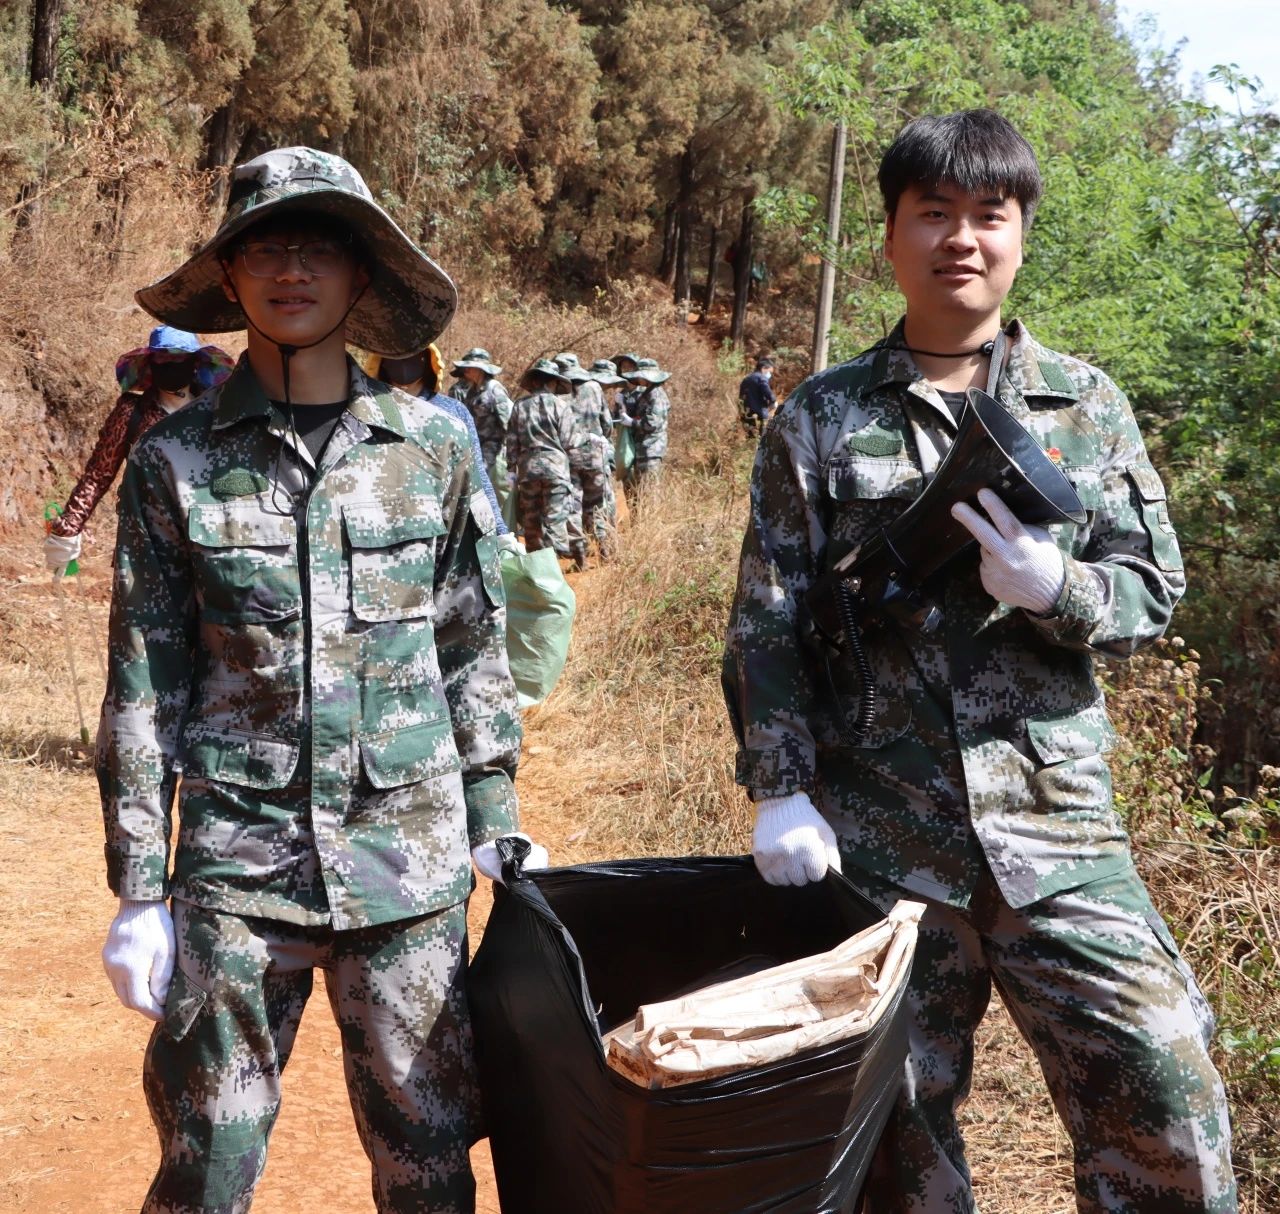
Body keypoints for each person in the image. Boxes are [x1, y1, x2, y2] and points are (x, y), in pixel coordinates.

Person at [722, 109, 1236, 1213]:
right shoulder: (820, 417)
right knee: (892, 1136)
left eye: (987, 215)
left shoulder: (1084, 406)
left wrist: (1061, 590)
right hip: (882, 833)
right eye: (933, 213)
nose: (961, 237)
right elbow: (768, 615)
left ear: (1020, 236)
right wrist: (779, 787)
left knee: (1164, 1099)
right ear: (890, 237)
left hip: (1057, 831)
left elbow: (1151, 590)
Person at [96, 146, 548, 1214]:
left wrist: (494, 812)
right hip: (238, 866)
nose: (290, 270)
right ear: (230, 271)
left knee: (429, 1160)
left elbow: (468, 643)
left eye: (318, 248)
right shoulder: (174, 461)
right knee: (207, 1159)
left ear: (361, 272)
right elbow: (145, 680)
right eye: (264, 247)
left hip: (408, 864)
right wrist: (138, 886)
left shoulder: (431, 448)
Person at [42, 326, 233, 573]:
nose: (170, 364)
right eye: (162, 358)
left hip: (209, 537)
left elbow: (233, 469)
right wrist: (69, 527)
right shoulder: (131, 413)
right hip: (144, 540)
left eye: (178, 358)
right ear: (150, 363)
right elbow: (98, 474)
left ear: (194, 363)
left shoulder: (216, 411)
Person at [377, 343, 508, 533]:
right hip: (385, 525)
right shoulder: (367, 409)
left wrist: (499, 532)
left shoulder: (453, 410)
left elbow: (477, 477)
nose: (403, 362)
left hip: (441, 525)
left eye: (412, 354)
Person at [506, 359, 584, 562]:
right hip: (556, 470)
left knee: (531, 523)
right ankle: (554, 568)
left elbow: (512, 441)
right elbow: (569, 441)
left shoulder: (519, 406)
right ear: (552, 382)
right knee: (554, 520)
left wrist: (511, 470)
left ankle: (537, 569)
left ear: (534, 382)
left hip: (528, 471)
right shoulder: (561, 405)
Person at [556, 352, 617, 565]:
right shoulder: (594, 387)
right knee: (598, 505)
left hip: (569, 457)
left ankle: (580, 557)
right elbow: (607, 424)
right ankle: (606, 551)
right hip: (595, 455)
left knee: (573, 506)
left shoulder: (555, 392)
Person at [448, 346, 513, 481]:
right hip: (475, 446)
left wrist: (511, 456)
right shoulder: (472, 391)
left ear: (480, 369)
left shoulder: (494, 389)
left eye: (470, 367)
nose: (466, 370)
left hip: (492, 448)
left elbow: (508, 423)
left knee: (479, 480)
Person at [615, 357, 671, 508]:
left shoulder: (656, 394)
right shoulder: (649, 392)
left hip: (651, 449)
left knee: (649, 493)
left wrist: (632, 422)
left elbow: (652, 423)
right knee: (641, 491)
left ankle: (650, 522)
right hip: (644, 449)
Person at [737, 355, 776, 439]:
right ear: (764, 368)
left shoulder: (747, 379)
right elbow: (767, 392)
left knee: (750, 437)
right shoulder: (761, 378)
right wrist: (773, 401)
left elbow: (741, 397)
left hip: (746, 413)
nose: (770, 375)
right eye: (770, 372)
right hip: (759, 413)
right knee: (760, 438)